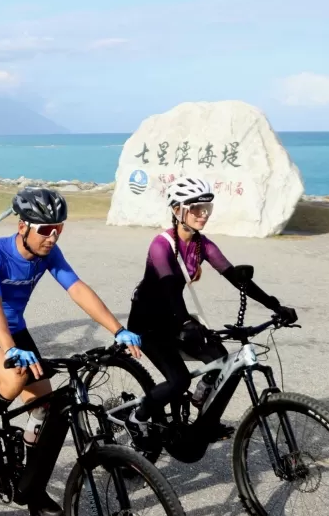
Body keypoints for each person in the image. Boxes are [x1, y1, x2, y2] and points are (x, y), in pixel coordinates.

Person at [0, 188, 141, 516]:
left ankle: (33, 487)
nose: (52, 237)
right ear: (22, 226)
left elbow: (77, 288)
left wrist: (118, 329)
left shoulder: (48, 253)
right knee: (14, 378)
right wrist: (10, 349)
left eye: (59, 228)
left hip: (15, 331)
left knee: (47, 405)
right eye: (45, 229)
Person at [125, 177, 298, 443]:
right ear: (177, 210)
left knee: (224, 364)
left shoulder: (201, 244)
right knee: (178, 381)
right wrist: (187, 324)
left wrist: (275, 305)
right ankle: (137, 417)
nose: (203, 215)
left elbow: (237, 278)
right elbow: (170, 287)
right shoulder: (161, 245)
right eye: (195, 208)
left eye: (207, 208)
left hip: (175, 318)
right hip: (149, 324)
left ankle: (206, 421)